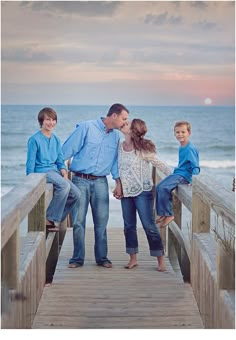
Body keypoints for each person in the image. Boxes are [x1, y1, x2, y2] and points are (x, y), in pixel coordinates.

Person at [62, 103, 129, 268]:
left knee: (101, 221)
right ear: (114, 116)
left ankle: (102, 258)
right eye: (124, 118)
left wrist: (118, 183)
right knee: (78, 221)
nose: (125, 122)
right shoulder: (86, 127)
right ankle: (77, 258)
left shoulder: (116, 137)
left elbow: (114, 163)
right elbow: (65, 151)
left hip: (100, 182)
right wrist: (60, 172)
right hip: (80, 179)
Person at [116, 118, 170, 271]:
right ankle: (133, 258)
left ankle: (160, 260)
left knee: (149, 226)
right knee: (129, 226)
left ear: (133, 131)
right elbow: (118, 169)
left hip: (143, 192)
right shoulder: (119, 147)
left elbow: (159, 164)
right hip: (125, 193)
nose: (123, 124)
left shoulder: (143, 149)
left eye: (127, 124)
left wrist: (176, 177)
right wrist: (118, 185)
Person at [26, 107, 81, 231]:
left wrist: (63, 171)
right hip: (42, 172)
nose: (51, 122)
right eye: (48, 119)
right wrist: (31, 181)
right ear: (41, 121)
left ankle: (53, 217)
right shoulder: (34, 139)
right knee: (64, 186)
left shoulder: (55, 139)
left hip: (55, 171)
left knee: (76, 193)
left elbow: (60, 160)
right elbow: (30, 163)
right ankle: (50, 218)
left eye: (54, 120)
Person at [156, 121, 200, 228]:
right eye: (177, 132)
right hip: (178, 173)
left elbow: (196, 167)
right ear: (174, 133)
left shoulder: (190, 148)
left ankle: (169, 215)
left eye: (183, 132)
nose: (180, 134)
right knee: (159, 187)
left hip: (183, 176)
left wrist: (194, 181)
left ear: (189, 133)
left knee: (163, 188)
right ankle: (163, 213)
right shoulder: (182, 147)